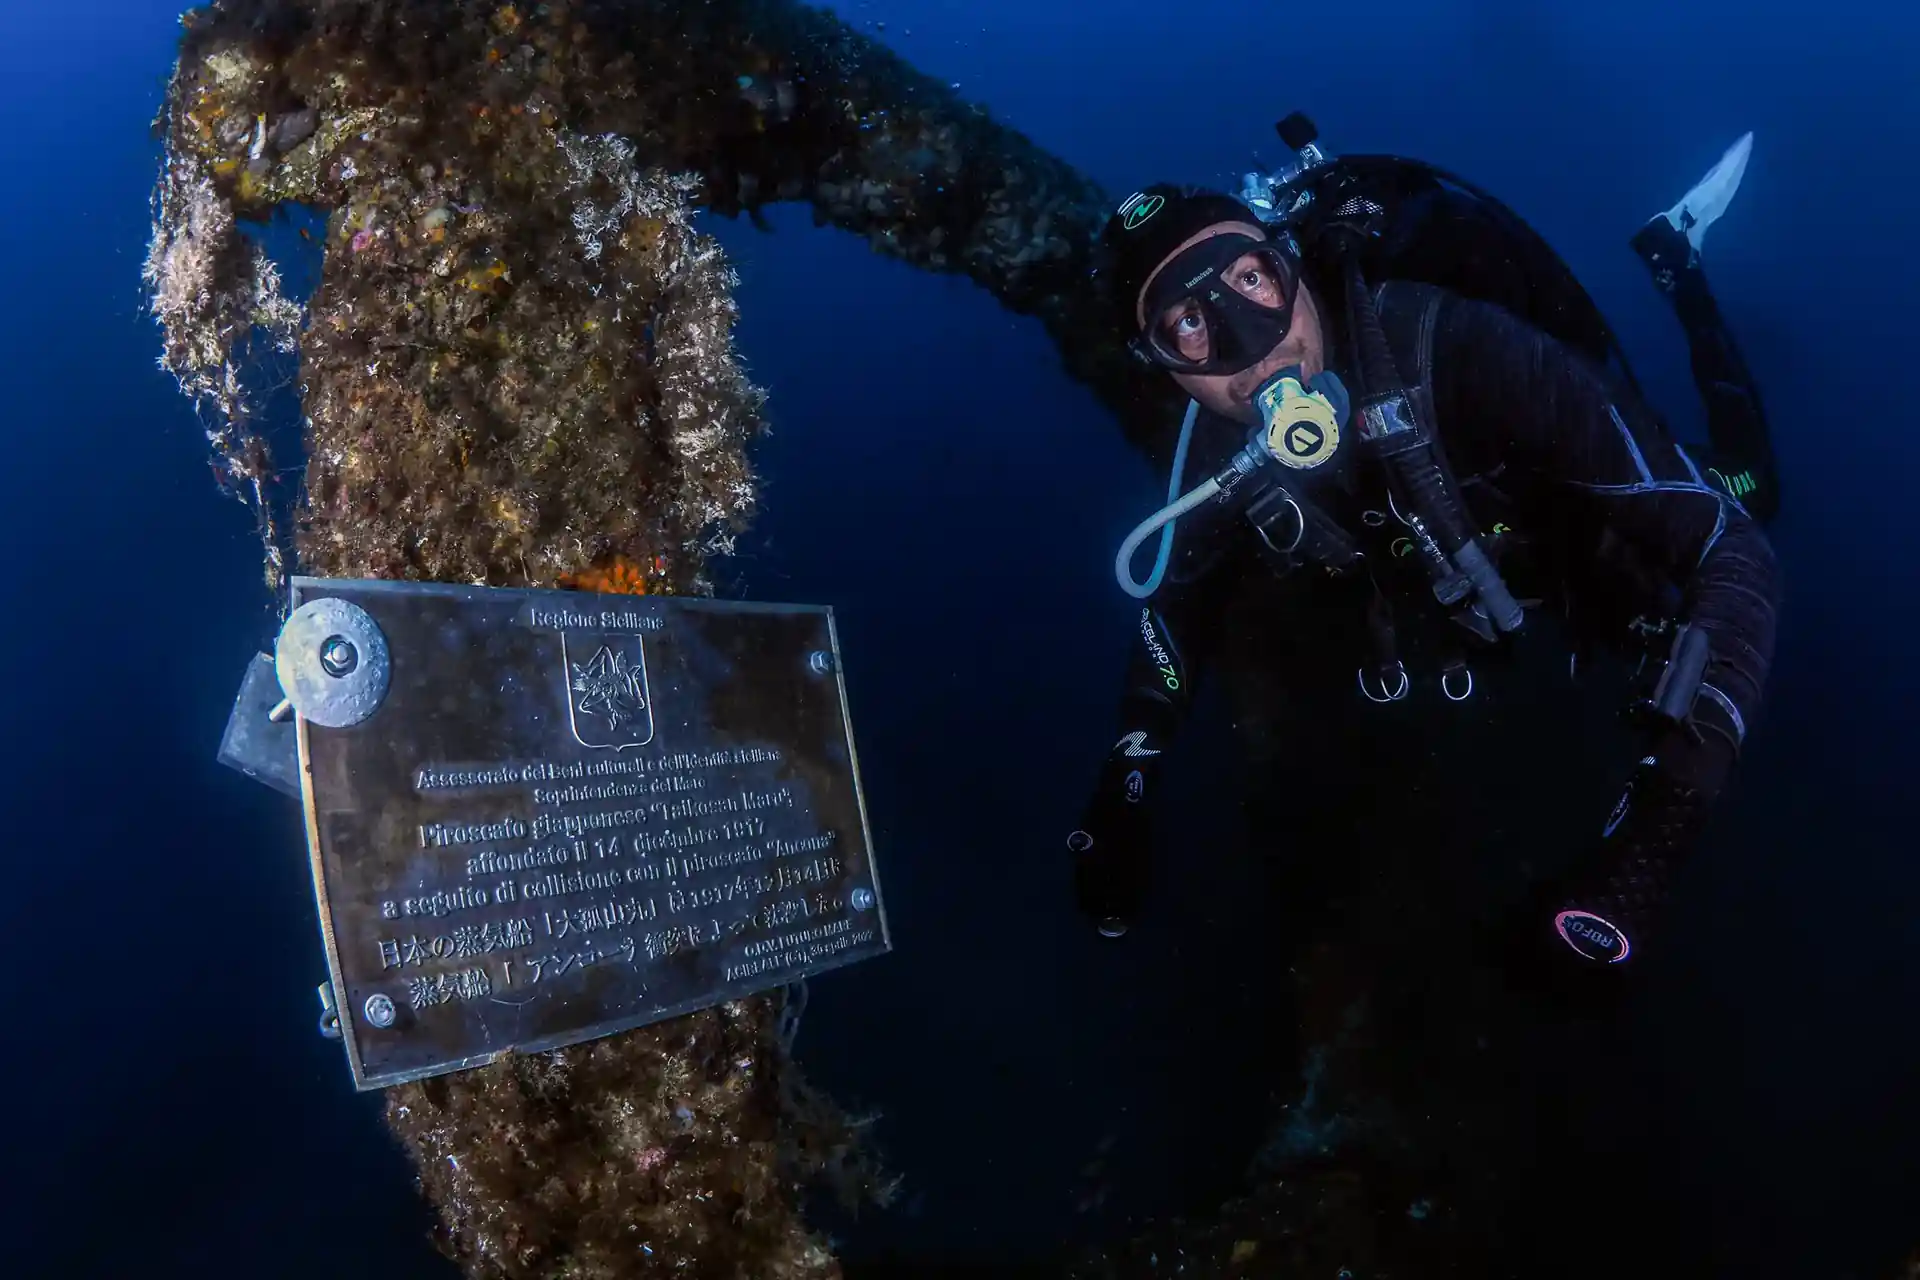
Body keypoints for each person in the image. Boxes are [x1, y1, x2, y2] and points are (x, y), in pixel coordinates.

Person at [1068, 127, 1781, 975]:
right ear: (1162, 366)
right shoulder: (1218, 455)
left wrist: (1652, 846)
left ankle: (1678, 257)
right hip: (1459, 607)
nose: (1248, 345)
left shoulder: (1458, 347)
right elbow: (1176, 609)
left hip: (1575, 536)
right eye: (1187, 324)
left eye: (1250, 281)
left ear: (1291, 266)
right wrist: (1129, 774)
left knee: (1747, 491)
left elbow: (1728, 546)